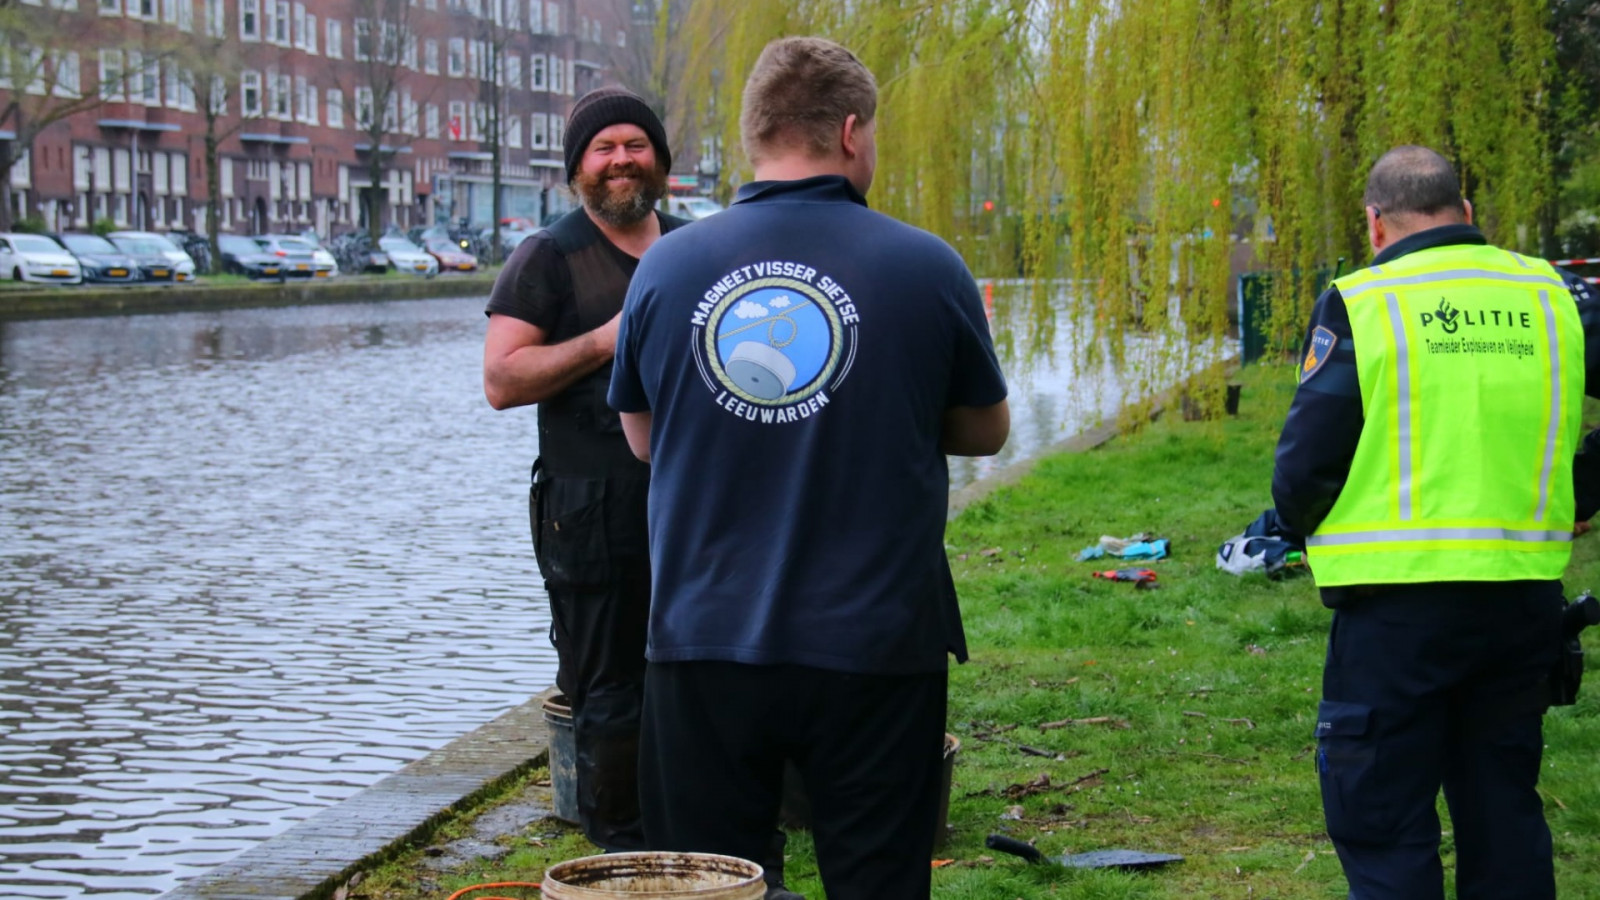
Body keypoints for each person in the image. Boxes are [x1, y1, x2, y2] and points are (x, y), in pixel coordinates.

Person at [608, 36, 1010, 899]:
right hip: (873, 641)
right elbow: (986, 430)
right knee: (876, 880)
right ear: (853, 132)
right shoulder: (925, 264)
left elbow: (644, 440)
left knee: (713, 885)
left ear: (756, 133)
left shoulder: (666, 268)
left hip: (703, 637)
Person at [1272, 144, 1600, 900]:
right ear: (1468, 212)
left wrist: (1291, 523)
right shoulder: (1553, 293)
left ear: (1375, 222)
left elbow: (1307, 467)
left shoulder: (1364, 299)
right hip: (1522, 601)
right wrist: (1581, 490)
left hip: (1396, 612)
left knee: (1384, 821)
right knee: (1504, 811)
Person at [481, 86, 685, 853]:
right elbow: (502, 380)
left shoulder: (693, 248)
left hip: (693, 503)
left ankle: (702, 833)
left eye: (636, 145)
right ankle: (623, 853)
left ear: (660, 161)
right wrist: (606, 340)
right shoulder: (548, 256)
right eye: (604, 148)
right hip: (590, 512)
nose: (621, 159)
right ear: (579, 169)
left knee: (698, 676)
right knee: (609, 690)